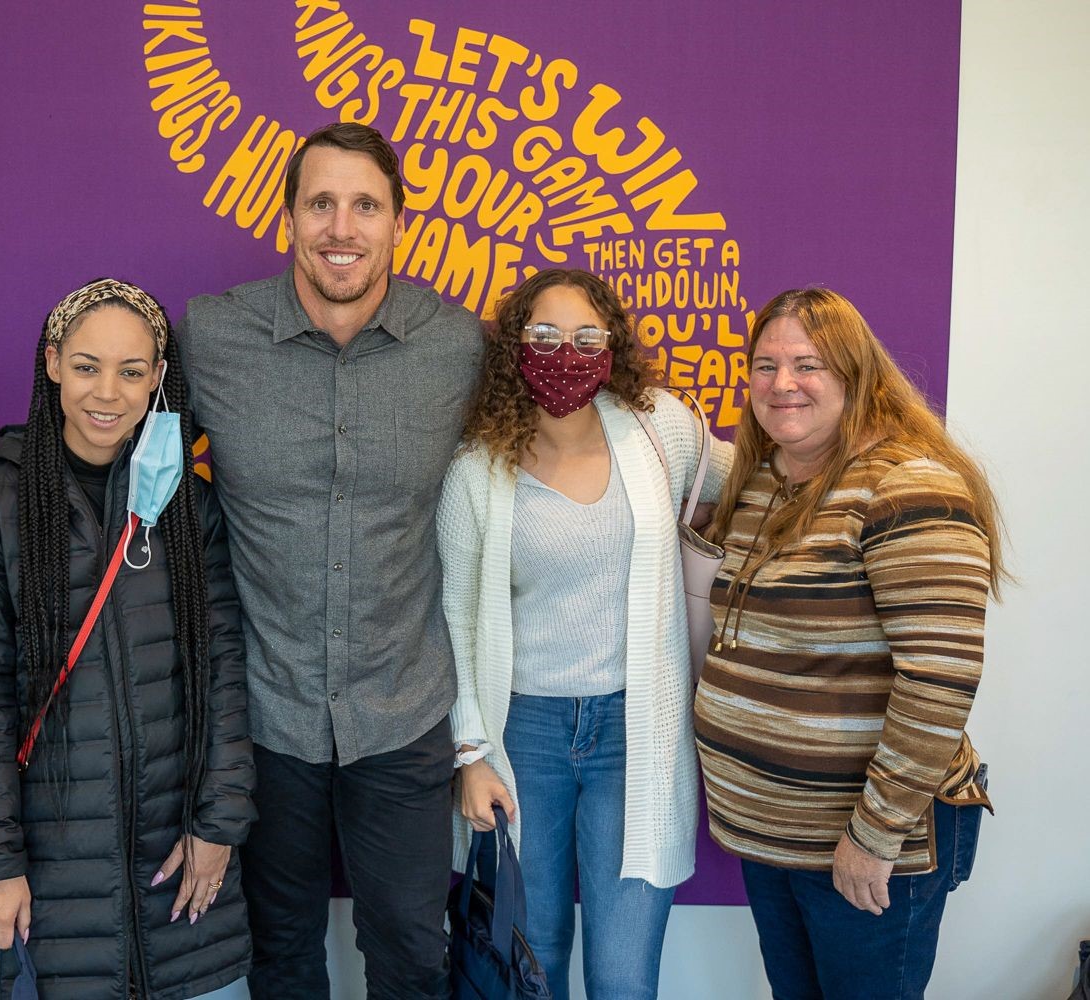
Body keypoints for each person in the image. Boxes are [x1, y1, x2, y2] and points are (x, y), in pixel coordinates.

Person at [175, 121, 481, 999]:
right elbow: (119, 447)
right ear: (288, 218)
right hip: (266, 716)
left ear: (397, 224)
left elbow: (571, 438)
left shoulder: (458, 345)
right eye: (320, 204)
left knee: (414, 959)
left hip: (403, 711)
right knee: (279, 956)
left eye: (364, 206)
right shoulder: (211, 337)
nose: (341, 228)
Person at [0, 278, 255, 1000]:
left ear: (158, 379)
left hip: (185, 880)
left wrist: (221, 825)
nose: (106, 393)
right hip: (55, 891)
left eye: (132, 370)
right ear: (52, 362)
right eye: (86, 366)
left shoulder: (185, 503)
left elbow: (224, 673)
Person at [695, 287, 1001, 1000]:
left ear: (855, 376)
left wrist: (874, 834)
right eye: (765, 365)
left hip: (864, 841)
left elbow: (940, 680)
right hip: (773, 835)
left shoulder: (907, 487)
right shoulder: (764, 478)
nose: (783, 384)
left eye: (809, 364)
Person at [439, 268, 733, 999]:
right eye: (542, 335)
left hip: (636, 734)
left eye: (584, 337)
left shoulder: (658, 427)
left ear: (612, 346)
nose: (563, 353)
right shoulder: (477, 468)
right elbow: (452, 618)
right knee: (529, 964)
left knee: (623, 976)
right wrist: (470, 752)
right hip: (524, 735)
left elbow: (759, 473)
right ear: (514, 345)